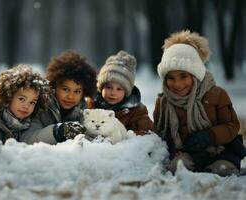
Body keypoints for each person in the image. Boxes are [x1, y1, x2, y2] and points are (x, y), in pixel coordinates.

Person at [153, 30, 246, 176]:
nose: (177, 84)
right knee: (177, 168)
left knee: (220, 171)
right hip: (188, 153)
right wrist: (172, 149)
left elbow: (232, 126)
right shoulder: (163, 102)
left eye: (183, 76)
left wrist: (210, 136)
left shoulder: (216, 94)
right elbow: (161, 132)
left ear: (196, 75)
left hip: (220, 150)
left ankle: (220, 166)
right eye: (171, 78)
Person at [20, 50, 97, 144]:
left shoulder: (85, 113)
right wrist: (57, 132)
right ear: (54, 86)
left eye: (77, 91)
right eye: (65, 89)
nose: (70, 96)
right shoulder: (40, 106)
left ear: (84, 92)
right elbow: (26, 139)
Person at [0, 65, 50, 151]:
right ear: (8, 96)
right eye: (21, 99)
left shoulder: (30, 123)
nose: (26, 106)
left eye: (32, 102)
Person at [86, 51, 153, 135]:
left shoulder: (136, 111)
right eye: (108, 87)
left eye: (119, 89)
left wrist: (125, 136)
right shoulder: (91, 105)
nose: (113, 93)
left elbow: (148, 134)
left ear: (126, 91)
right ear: (101, 88)